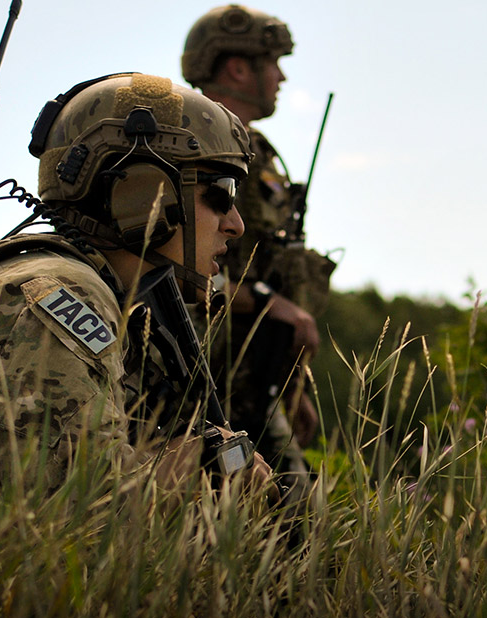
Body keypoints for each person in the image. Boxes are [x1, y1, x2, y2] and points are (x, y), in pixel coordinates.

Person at [0, 73, 273, 583]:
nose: (235, 224)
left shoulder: (99, 296)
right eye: (220, 194)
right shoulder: (55, 293)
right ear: (145, 190)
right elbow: (77, 516)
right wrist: (210, 468)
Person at [181, 5, 335, 498]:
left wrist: (295, 388)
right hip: (202, 375)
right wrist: (271, 302)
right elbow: (178, 271)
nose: (282, 76)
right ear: (239, 67)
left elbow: (271, 270)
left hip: (258, 376)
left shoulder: (254, 151)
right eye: (273, 62)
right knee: (290, 515)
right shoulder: (190, 144)